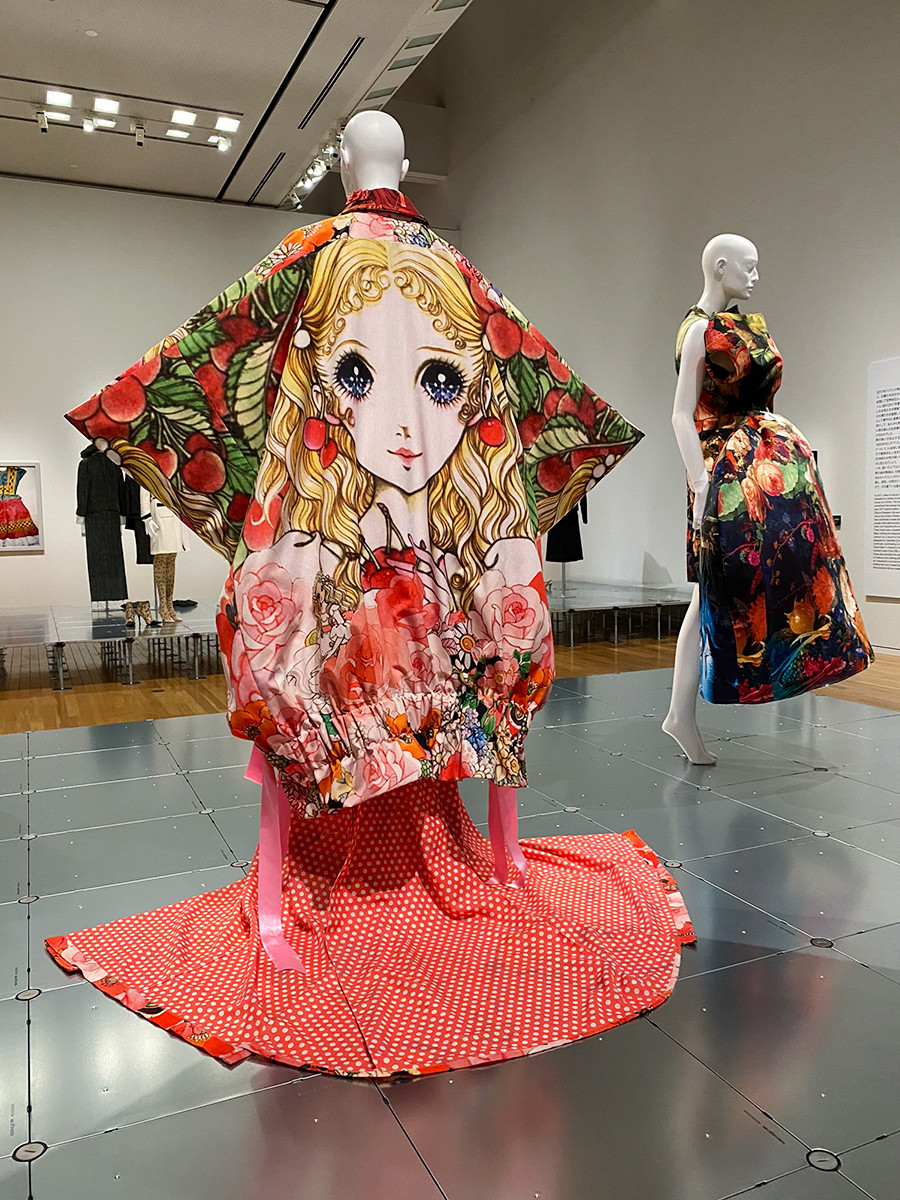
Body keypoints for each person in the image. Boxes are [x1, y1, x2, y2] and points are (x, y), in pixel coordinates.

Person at [49, 113, 694, 1077]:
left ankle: (294, 886)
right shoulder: (461, 272)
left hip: (341, 522)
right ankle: (495, 856)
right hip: (443, 535)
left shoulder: (310, 258)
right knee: (425, 619)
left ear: (345, 167)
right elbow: (544, 393)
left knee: (307, 621)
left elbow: (210, 367)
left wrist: (187, 450)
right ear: (406, 165)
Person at [664, 235, 872, 761]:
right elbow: (681, 414)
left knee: (752, 579)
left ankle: (682, 714)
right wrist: (700, 482)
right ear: (720, 267)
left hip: (764, 465)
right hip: (724, 472)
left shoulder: (745, 327)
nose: (755, 277)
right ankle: (685, 712)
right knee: (715, 588)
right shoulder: (699, 331)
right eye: (748, 267)